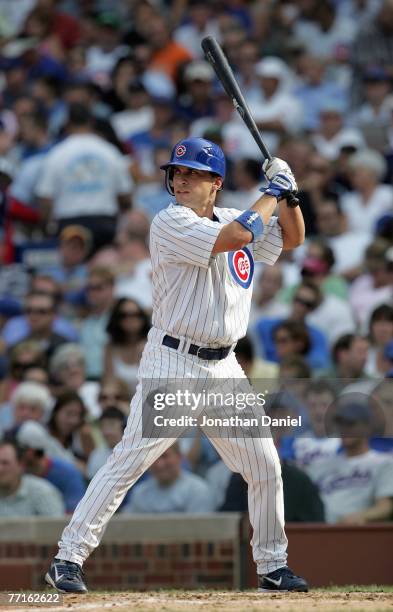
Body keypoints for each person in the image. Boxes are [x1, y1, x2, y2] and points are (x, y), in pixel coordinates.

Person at [45, 137, 308, 593]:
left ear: (217, 183)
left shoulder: (233, 214)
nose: (181, 179)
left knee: (265, 465)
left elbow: (295, 238)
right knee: (128, 463)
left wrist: (289, 194)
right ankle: (67, 559)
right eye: (177, 172)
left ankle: (272, 565)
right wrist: (271, 192)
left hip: (224, 366)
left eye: (194, 173)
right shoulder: (170, 221)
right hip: (174, 360)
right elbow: (239, 236)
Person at [308, 402, 393, 524]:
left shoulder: (383, 463)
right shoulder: (321, 465)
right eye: (341, 424)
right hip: (320, 530)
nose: (344, 429)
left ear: (367, 427)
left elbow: (385, 507)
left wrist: (362, 516)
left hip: (356, 533)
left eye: (350, 424)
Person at [16, 420, 86, 513]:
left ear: (31, 451)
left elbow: (75, 513)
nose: (17, 454)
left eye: (21, 450)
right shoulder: (17, 472)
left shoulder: (68, 474)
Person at [125, 442, 213, 513]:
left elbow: (199, 532)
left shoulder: (198, 490)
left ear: (179, 457)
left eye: (165, 456)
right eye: (153, 457)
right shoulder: (140, 492)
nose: (159, 464)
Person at [0, 440, 65, 517]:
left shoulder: (43, 493)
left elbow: (56, 527)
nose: (0, 468)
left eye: (5, 463)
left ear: (21, 465)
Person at [104, 298, 150, 391]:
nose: (130, 319)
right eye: (123, 315)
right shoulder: (110, 348)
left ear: (143, 317)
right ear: (117, 319)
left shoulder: (151, 346)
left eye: (135, 315)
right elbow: (109, 383)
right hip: (120, 400)